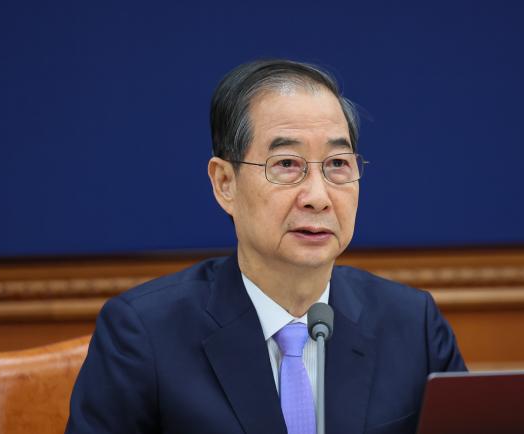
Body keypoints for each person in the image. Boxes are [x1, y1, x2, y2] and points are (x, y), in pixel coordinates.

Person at [65, 59, 466, 434]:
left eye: (337, 164)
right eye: (287, 164)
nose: (318, 197)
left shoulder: (413, 325)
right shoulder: (143, 334)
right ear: (225, 183)